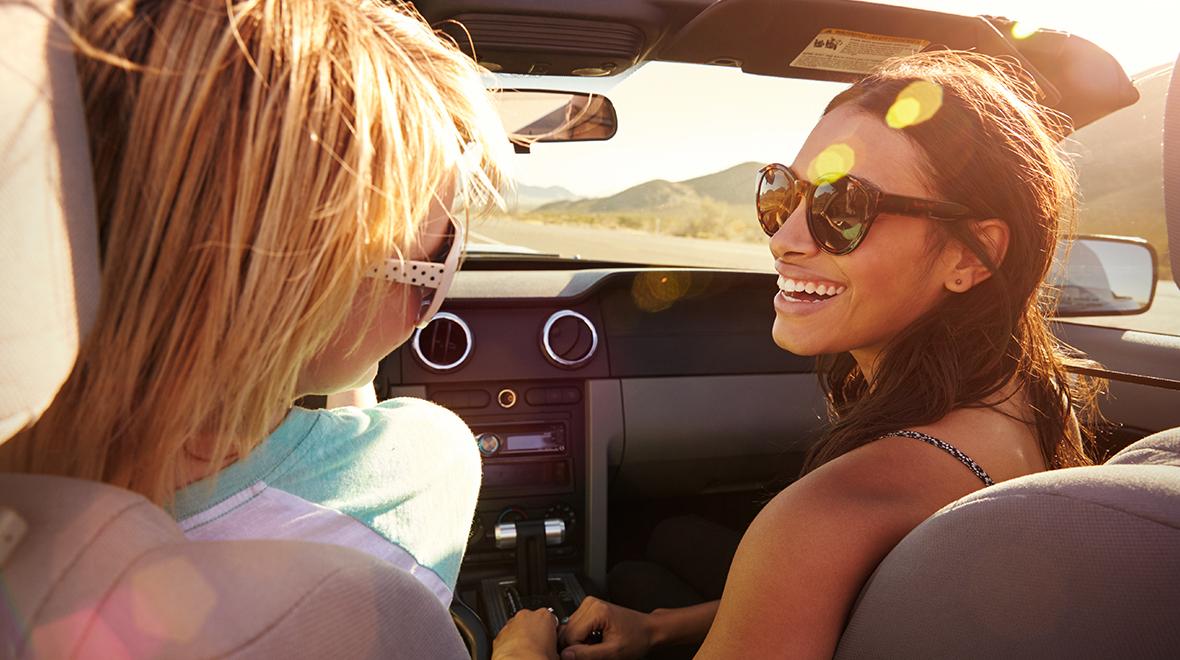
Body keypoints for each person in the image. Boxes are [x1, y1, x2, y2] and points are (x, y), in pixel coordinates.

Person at [493, 50, 1105, 658]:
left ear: (971, 256)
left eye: (845, 208)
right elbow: (863, 596)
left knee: (629, 573)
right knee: (669, 545)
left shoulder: (826, 513)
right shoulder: (1037, 402)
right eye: (785, 192)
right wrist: (660, 627)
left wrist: (520, 653)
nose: (784, 240)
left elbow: (813, 559)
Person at [0, 0, 508, 606]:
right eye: (436, 259)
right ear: (313, 290)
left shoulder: (27, 489)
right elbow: (353, 441)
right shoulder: (421, 466)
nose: (436, 293)